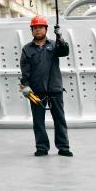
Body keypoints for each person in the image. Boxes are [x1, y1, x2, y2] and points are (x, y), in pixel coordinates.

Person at [19, 15, 72, 157]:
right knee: (38, 121)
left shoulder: (54, 45)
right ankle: (42, 148)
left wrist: (60, 37)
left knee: (59, 119)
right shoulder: (27, 49)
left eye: (40, 27)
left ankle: (63, 147)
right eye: (35, 28)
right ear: (31, 30)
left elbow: (64, 52)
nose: (38, 30)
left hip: (55, 89)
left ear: (46, 29)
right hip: (36, 91)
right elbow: (25, 70)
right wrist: (25, 86)